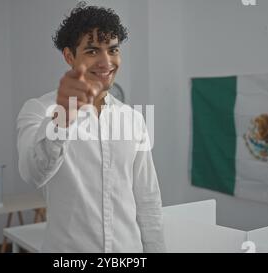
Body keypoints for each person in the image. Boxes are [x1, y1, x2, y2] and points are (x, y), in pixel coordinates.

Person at [16, 3, 166, 253]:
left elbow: (147, 199)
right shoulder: (38, 110)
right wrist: (63, 115)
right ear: (69, 57)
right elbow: (32, 172)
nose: (106, 62)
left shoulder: (133, 119)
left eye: (113, 50)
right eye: (92, 51)